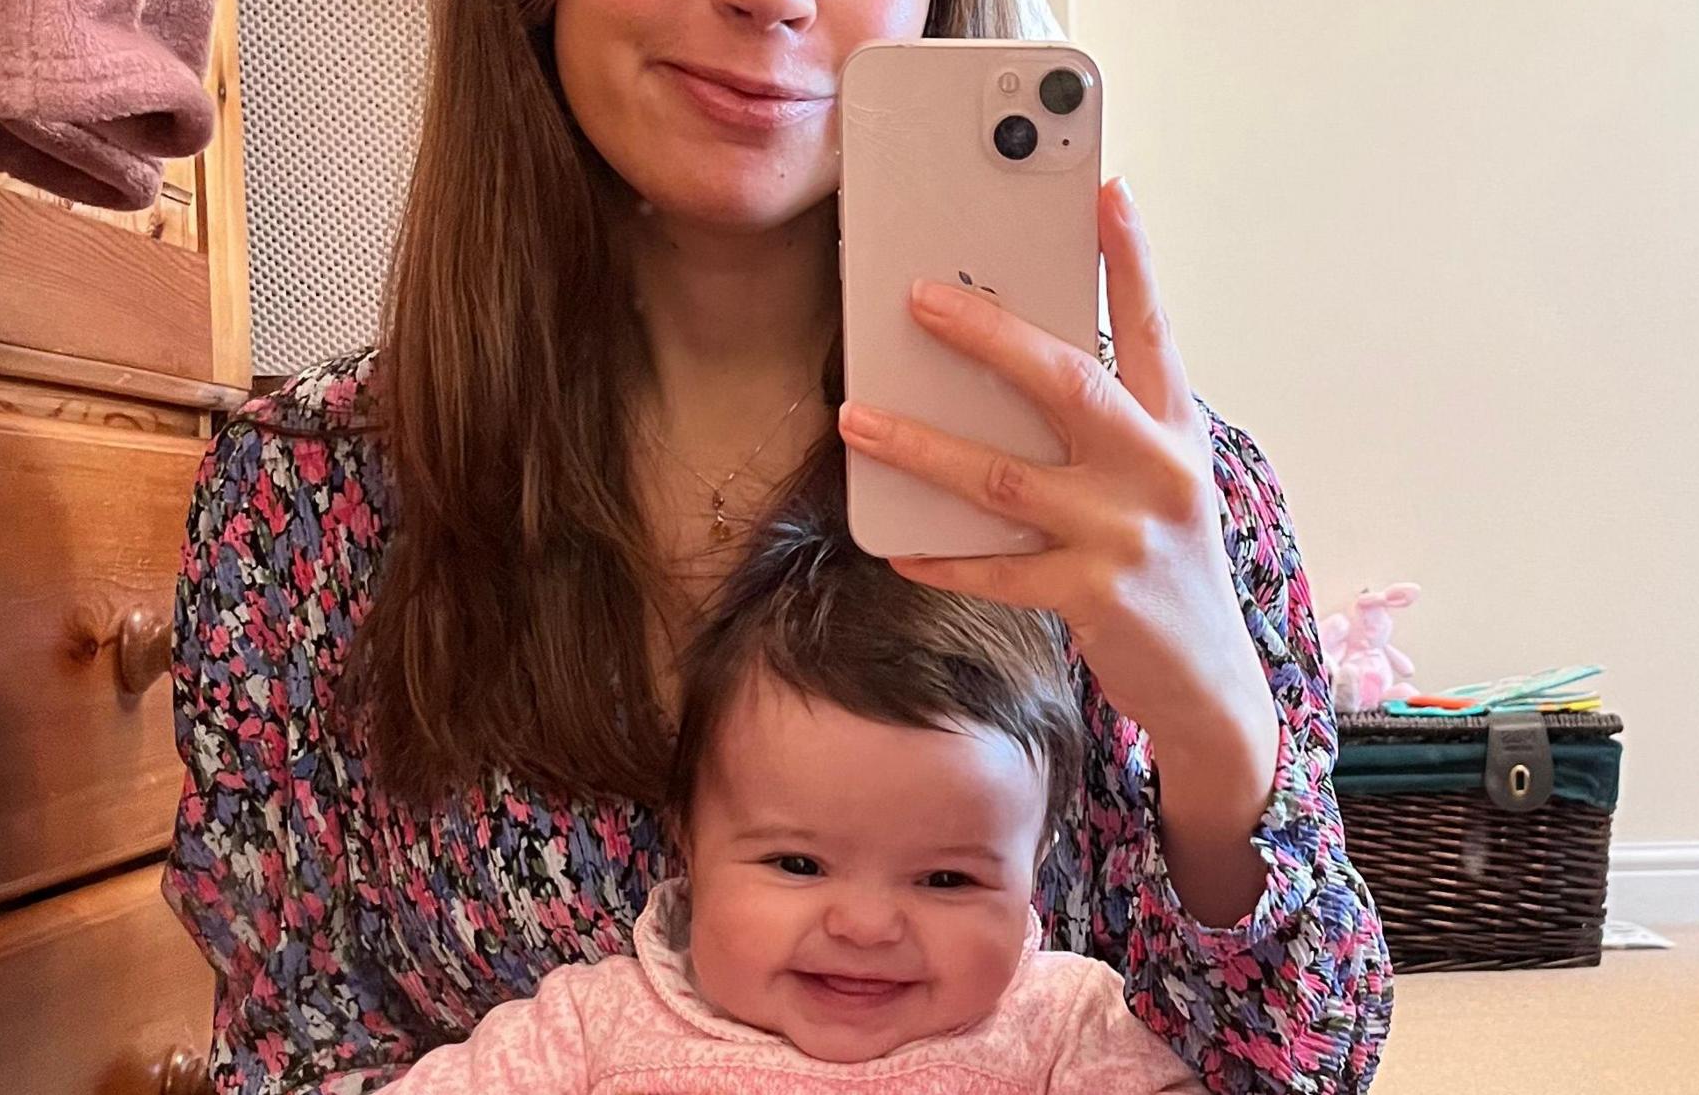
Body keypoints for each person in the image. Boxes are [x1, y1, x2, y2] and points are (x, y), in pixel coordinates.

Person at [162, 0, 1391, 1092]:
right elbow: (298, 1051)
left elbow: (1290, 1068)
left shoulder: (1158, 499)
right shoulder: (307, 501)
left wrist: (1215, 721)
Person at [380, 463, 1204, 1092]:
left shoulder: (1065, 1031)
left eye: (947, 877)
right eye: (798, 863)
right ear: (687, 837)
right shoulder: (592, 1029)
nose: (867, 923)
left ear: (1035, 863)